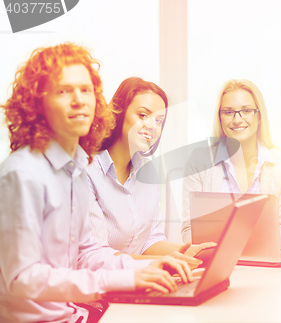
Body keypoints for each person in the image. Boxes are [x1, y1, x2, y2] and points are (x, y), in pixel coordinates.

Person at [0, 43, 193, 323]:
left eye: (86, 90)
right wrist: (116, 280)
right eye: (64, 91)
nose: (79, 100)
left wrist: (144, 268)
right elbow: (21, 278)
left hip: (73, 314)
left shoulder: (75, 167)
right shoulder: (22, 174)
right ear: (37, 103)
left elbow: (87, 252)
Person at [87, 77, 214, 263]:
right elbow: (96, 256)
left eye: (159, 120)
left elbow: (150, 241)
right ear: (118, 113)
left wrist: (188, 251)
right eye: (143, 115)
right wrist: (157, 264)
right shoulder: (88, 171)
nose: (152, 126)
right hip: (101, 284)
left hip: (141, 280)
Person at [181, 79, 281, 248]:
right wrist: (220, 253)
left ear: (259, 117)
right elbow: (189, 229)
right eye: (228, 112)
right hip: (212, 260)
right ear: (220, 118)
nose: (237, 119)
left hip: (263, 264)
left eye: (246, 110)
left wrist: (255, 250)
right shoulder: (199, 161)